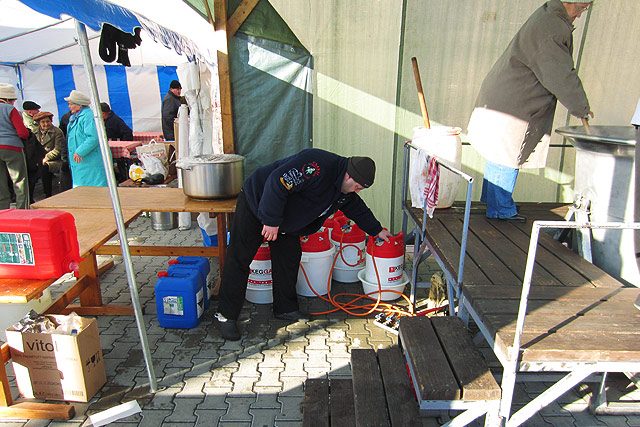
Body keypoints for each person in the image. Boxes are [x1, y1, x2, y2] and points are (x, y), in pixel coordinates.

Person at [214, 149, 394, 341]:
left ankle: (285, 308)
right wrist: (271, 220)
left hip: (285, 220)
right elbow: (278, 182)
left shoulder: (345, 189)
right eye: (357, 187)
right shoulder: (316, 165)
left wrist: (376, 230)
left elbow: (357, 208)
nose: (356, 191)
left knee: (289, 258)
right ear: (348, 175)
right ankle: (226, 315)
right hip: (257, 202)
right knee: (240, 258)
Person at [466, 0, 594, 223]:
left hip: (507, 94)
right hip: (514, 100)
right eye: (580, 8)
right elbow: (560, 74)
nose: (580, 14)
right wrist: (580, 105)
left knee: (499, 151)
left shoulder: (548, 14)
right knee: (507, 153)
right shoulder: (553, 26)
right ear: (567, 1)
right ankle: (501, 211)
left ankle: (494, 204)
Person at [65, 90, 108, 187]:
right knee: (83, 187)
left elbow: (94, 137)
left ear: (79, 105)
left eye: (71, 104)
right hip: (83, 162)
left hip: (90, 161)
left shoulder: (88, 117)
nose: (69, 106)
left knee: (93, 188)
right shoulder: (76, 117)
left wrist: (80, 151)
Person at [0, 83, 30, 209]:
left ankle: (2, 211)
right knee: (19, 181)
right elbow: (22, 132)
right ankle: (22, 209)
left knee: (1, 184)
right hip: (12, 147)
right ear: (7, 99)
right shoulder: (10, 109)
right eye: (12, 100)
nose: (13, 103)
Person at [33, 111, 64, 198]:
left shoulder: (57, 132)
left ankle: (47, 194)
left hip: (55, 159)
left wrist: (46, 158)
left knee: (45, 167)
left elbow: (58, 150)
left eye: (48, 121)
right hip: (38, 158)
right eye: (43, 122)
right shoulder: (34, 132)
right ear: (39, 123)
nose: (46, 124)